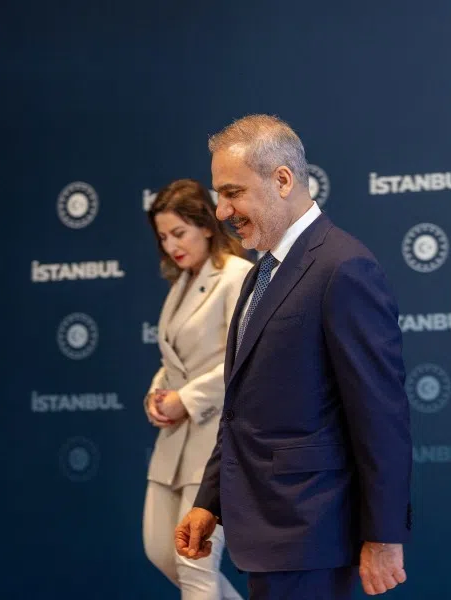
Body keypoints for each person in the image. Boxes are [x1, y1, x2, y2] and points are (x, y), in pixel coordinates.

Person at [173, 115, 412, 600]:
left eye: (233, 192)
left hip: (313, 535)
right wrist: (209, 502)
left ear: (282, 179)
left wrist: (384, 535)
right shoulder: (260, 274)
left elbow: (380, 417)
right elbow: (241, 409)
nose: (221, 212)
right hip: (265, 532)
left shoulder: (343, 268)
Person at [143, 178, 252, 599]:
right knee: (162, 553)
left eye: (179, 233)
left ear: (206, 225)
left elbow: (244, 360)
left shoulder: (236, 276)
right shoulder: (180, 286)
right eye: (163, 237)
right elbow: (172, 363)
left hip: (212, 439)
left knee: (195, 566)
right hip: (172, 442)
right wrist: (156, 396)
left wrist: (185, 400)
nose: (172, 246)